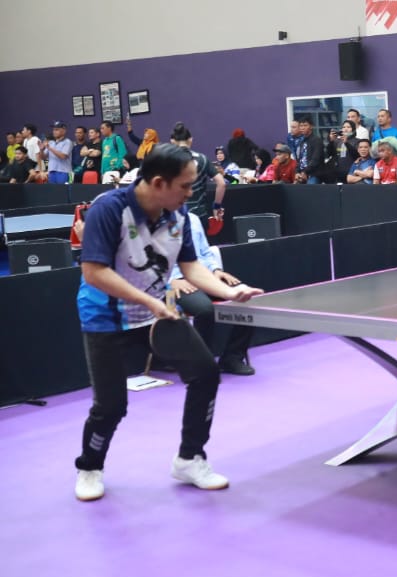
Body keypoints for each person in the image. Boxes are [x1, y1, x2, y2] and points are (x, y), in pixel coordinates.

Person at [72, 143, 263, 502]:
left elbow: (191, 266)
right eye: (185, 186)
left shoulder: (178, 214)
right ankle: (89, 467)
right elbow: (94, 271)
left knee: (205, 373)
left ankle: (190, 458)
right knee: (111, 406)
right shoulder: (108, 210)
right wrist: (149, 300)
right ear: (159, 183)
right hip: (106, 318)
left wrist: (228, 291)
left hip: (154, 315)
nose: (191, 193)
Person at [169, 214, 256, 376]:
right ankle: (202, 363)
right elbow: (147, 263)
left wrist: (216, 270)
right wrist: (170, 281)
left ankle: (232, 358)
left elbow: (205, 252)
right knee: (205, 310)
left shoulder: (193, 219)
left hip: (204, 277)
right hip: (172, 285)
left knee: (246, 300)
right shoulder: (151, 221)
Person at [169, 123, 226, 226]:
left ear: (172, 141)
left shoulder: (166, 161)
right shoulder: (202, 159)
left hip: (175, 218)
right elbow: (221, 183)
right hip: (199, 216)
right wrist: (216, 207)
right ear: (190, 140)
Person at [293, 116, 325, 183]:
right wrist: (297, 172)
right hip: (302, 173)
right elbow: (299, 159)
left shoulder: (317, 140)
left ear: (311, 126)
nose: (302, 128)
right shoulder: (302, 141)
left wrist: (305, 172)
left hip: (314, 174)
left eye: (305, 125)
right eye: (301, 126)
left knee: (310, 187)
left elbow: (315, 160)